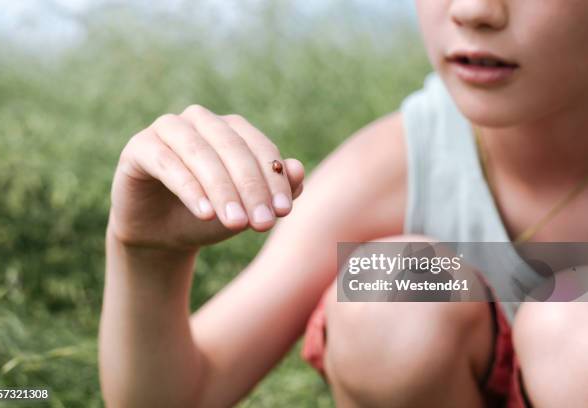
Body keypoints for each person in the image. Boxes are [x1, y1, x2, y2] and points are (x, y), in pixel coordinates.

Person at [98, 1, 588, 407]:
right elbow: (181, 395)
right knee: (389, 286)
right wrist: (146, 252)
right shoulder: (398, 164)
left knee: (572, 333)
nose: (473, 10)